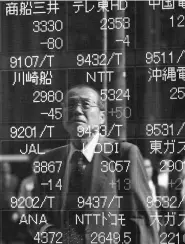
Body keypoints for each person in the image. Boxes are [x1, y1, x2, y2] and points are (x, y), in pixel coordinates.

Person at [29, 85, 159, 244]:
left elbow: (142, 221)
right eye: (70, 105)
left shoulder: (123, 155)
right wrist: (48, 232)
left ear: (102, 117)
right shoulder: (47, 161)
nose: (77, 110)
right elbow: (35, 214)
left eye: (85, 104)